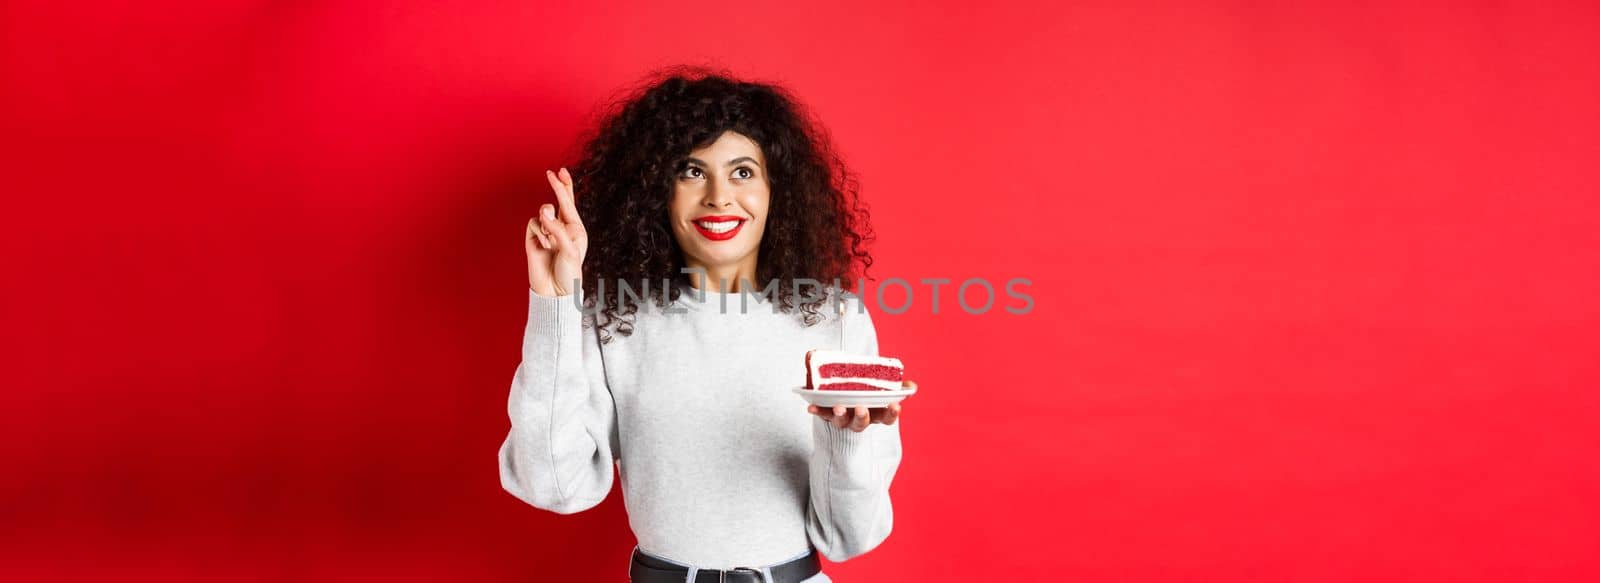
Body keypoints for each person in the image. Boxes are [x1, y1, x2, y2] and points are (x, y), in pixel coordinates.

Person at [497, 68, 911, 583]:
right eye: (692, 171)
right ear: (657, 192)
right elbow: (554, 483)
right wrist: (556, 303)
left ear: (774, 190)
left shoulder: (835, 319)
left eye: (742, 172)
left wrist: (846, 439)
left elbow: (850, 538)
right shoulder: (617, 320)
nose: (718, 196)